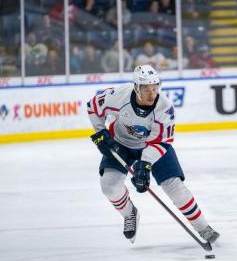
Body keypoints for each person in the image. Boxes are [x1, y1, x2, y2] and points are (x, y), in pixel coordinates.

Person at [86, 65, 220, 244]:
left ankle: (203, 227)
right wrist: (100, 133)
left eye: (155, 88)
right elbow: (93, 106)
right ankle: (129, 213)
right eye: (146, 89)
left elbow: (161, 141)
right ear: (136, 87)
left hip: (153, 146)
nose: (152, 93)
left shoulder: (164, 107)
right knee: (109, 186)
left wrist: (145, 165)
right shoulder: (119, 96)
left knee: (175, 187)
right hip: (120, 143)